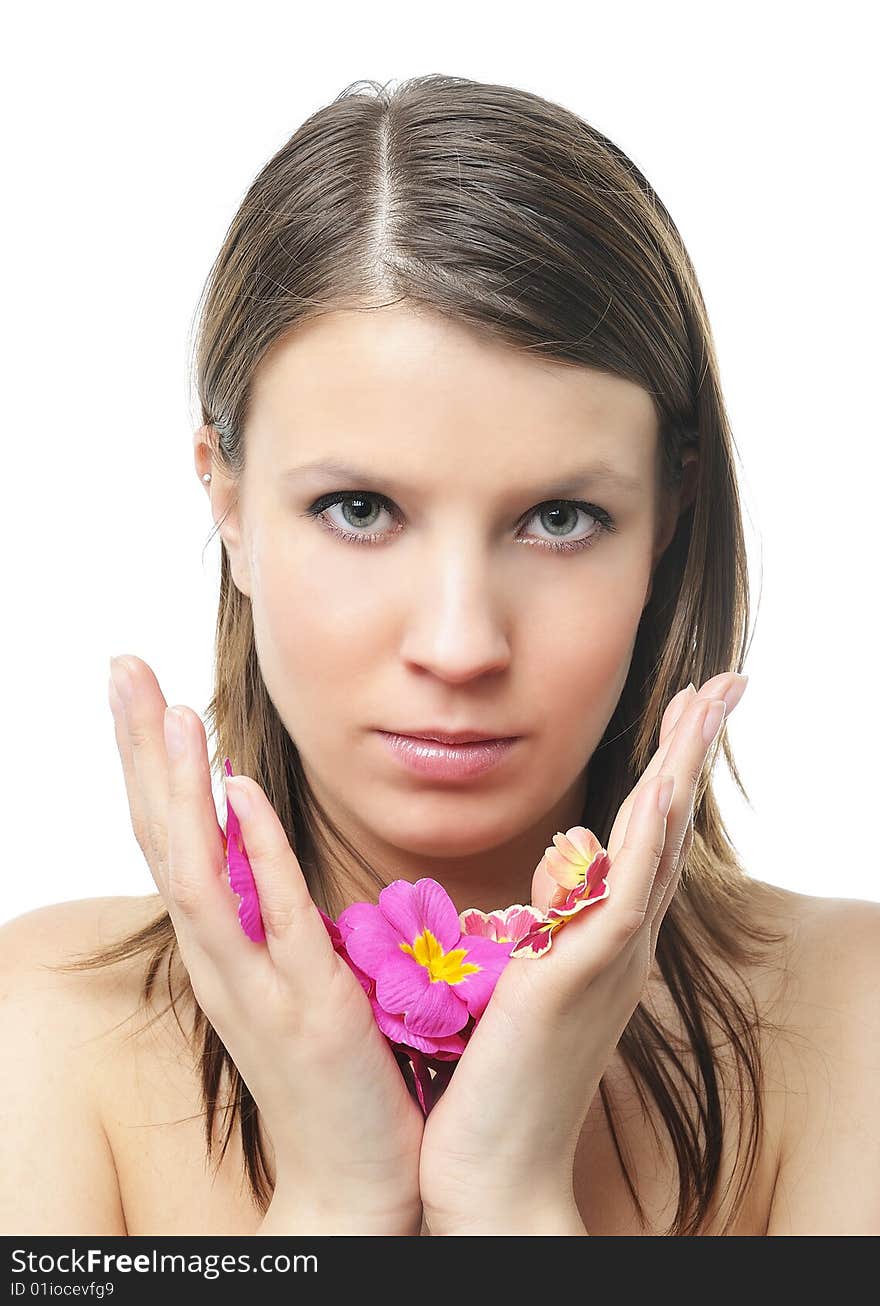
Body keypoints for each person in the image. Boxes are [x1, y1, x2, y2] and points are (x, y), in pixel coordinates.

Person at [1, 74, 877, 1239]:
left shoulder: (849, 1021)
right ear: (226, 497)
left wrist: (509, 1199)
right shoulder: (46, 1030)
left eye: (560, 518)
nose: (460, 644)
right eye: (360, 509)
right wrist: (337, 1197)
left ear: (668, 518)